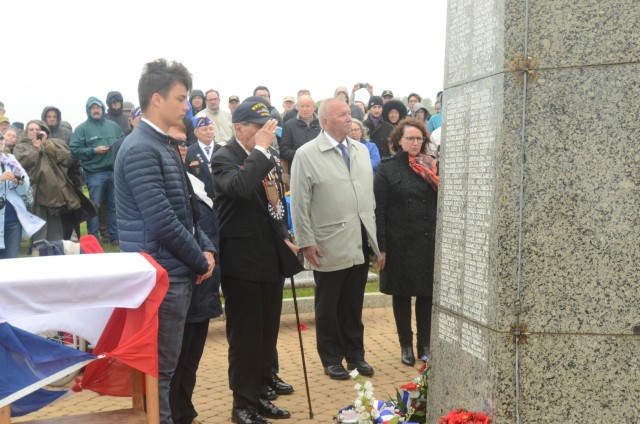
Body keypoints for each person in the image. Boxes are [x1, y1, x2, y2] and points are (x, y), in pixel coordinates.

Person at [114, 58, 215, 424]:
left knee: (164, 372)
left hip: (171, 270)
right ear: (157, 99)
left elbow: (185, 210)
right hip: (160, 276)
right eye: (181, 98)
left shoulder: (161, 144)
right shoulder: (142, 148)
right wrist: (200, 261)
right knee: (158, 374)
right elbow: (161, 222)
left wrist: (206, 247)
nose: (187, 106)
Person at [212, 101, 295, 424]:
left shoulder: (269, 157)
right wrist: (260, 151)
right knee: (246, 338)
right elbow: (241, 188)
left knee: (266, 335)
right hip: (242, 263)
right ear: (239, 128)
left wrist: (285, 233)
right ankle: (242, 405)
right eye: (259, 125)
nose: (265, 132)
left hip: (271, 258)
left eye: (268, 126)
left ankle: (261, 395)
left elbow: (275, 203)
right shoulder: (224, 157)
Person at [290, 98, 381, 380]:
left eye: (349, 114)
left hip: (359, 239)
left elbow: (368, 197)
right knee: (328, 305)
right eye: (341, 115)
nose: (348, 119)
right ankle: (331, 357)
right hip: (328, 242)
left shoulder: (361, 150)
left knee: (353, 304)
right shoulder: (307, 154)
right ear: (324, 121)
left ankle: (356, 356)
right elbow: (300, 203)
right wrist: (306, 240)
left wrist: (375, 240)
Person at [169, 123, 223, 424]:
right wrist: (201, 258)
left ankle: (185, 411)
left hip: (205, 278)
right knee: (175, 359)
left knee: (192, 356)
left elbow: (203, 223)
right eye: (173, 144)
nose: (179, 149)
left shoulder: (197, 178)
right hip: (184, 278)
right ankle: (173, 413)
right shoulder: (165, 181)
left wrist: (210, 257)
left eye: (182, 144)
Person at [373, 118, 438, 366]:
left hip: (426, 241)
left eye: (419, 138)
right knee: (401, 295)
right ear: (398, 140)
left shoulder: (431, 166)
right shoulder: (387, 168)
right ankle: (405, 346)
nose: (414, 142)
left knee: (426, 295)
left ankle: (425, 344)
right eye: (410, 138)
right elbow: (379, 210)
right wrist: (381, 246)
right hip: (399, 242)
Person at [13, 120, 83, 243]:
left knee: (54, 222)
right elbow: (23, 162)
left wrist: (45, 145)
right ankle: (38, 247)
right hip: (34, 189)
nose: (34, 132)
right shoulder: (20, 146)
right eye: (31, 129)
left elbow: (64, 157)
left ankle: (55, 246)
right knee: (38, 220)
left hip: (53, 189)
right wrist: (37, 149)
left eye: (37, 129)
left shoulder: (51, 143)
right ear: (26, 132)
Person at [70, 97, 125, 245]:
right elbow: (74, 149)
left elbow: (123, 143)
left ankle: (115, 237)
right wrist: (94, 150)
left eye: (98, 107)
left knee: (115, 206)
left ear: (103, 109)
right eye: (92, 108)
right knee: (94, 207)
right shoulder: (82, 129)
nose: (95, 110)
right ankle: (93, 238)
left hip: (114, 172)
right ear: (88, 111)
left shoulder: (113, 126)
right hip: (94, 174)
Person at [42, 106, 84, 241]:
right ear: (44, 118)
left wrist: (62, 165)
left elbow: (74, 154)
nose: (52, 119)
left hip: (69, 178)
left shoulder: (67, 134)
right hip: (49, 180)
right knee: (54, 212)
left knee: (72, 211)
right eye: (49, 117)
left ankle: (75, 238)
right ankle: (54, 240)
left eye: (54, 116)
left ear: (58, 118)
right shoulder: (40, 133)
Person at [0, 133, 45, 259]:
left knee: (11, 261)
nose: (0, 141)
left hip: (13, 219)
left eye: (1, 138)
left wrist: (19, 182)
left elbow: (24, 189)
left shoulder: (10, 159)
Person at [278, 95, 321, 166]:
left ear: (314, 108)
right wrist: (301, 155)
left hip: (318, 166)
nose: (304, 109)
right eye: (302, 106)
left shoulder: (322, 125)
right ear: (297, 108)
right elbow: (284, 150)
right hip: (298, 167)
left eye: (308, 106)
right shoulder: (288, 125)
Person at [185, 116, 216, 200]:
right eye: (204, 129)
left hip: (224, 199)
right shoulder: (189, 152)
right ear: (196, 132)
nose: (208, 132)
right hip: (202, 199)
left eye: (211, 128)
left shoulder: (223, 149)